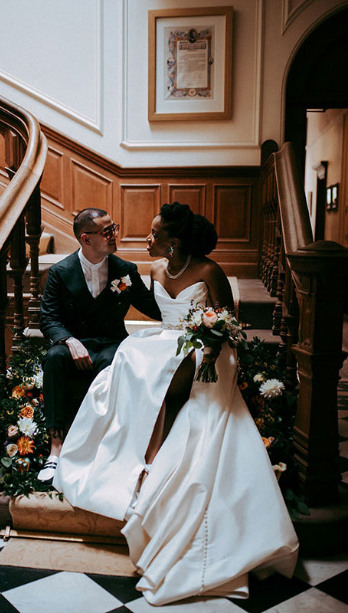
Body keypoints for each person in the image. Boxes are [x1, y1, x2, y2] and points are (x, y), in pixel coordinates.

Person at [53, 203, 299, 605]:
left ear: (173, 244)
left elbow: (228, 323)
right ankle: (128, 453)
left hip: (206, 349)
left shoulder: (208, 271)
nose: (145, 240)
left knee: (165, 369)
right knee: (130, 358)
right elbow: (141, 308)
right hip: (167, 340)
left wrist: (210, 339)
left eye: (153, 235)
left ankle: (156, 456)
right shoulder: (150, 271)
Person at [35, 208, 161, 483]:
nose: (114, 234)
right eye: (107, 231)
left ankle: (105, 449)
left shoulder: (124, 272)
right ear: (86, 239)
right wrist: (69, 341)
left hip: (111, 342)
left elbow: (154, 307)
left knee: (113, 360)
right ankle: (55, 450)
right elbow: (49, 318)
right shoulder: (60, 272)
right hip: (75, 343)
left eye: (113, 227)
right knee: (54, 357)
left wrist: (184, 303)